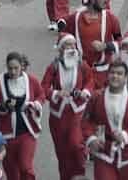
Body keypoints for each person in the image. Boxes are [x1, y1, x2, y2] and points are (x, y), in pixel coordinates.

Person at [82, 60, 128, 180]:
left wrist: (127, 135)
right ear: (108, 75)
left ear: (126, 77)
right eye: (112, 73)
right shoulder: (97, 97)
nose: (115, 76)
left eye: (119, 73)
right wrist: (91, 139)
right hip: (104, 153)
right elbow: (85, 122)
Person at [40, 33, 94, 180]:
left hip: (77, 112)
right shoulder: (54, 66)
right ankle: (65, 177)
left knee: (76, 145)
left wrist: (85, 92)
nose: (71, 48)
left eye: (72, 45)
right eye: (67, 45)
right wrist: (56, 93)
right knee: (62, 152)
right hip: (58, 115)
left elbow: (90, 81)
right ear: (60, 49)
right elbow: (43, 88)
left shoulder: (82, 64)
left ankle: (79, 175)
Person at [0, 52, 44, 180]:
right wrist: (2, 107)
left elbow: (41, 95)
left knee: (25, 167)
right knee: (11, 171)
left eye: (16, 68)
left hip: (27, 132)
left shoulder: (31, 80)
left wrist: (35, 104)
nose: (13, 71)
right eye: (10, 68)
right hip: (6, 135)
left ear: (22, 66)